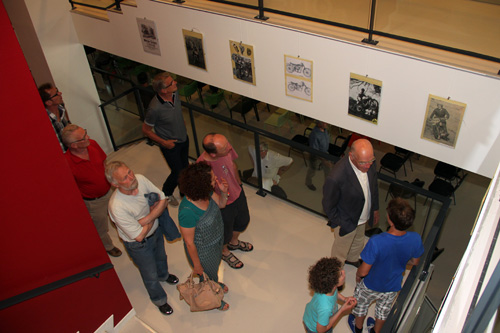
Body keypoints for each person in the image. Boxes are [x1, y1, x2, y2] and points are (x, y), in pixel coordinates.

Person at [105, 161, 179, 315]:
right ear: (114, 184)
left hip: (156, 232)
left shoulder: (141, 179)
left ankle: (164, 275)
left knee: (161, 257)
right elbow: (139, 236)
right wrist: (153, 214)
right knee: (149, 273)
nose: (131, 178)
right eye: (125, 178)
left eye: (130, 172)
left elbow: (163, 199)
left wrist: (144, 220)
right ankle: (159, 299)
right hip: (139, 246)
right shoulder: (117, 206)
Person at [348, 198, 424, 333]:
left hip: (370, 285)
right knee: (382, 312)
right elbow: (415, 262)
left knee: (361, 306)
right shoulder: (416, 238)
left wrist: (358, 275)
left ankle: (358, 328)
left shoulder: (377, 241)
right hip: (392, 286)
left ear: (390, 219)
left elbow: (364, 271)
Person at [61, 125, 122, 257]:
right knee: (101, 228)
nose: (88, 137)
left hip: (109, 192)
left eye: (86, 133)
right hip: (93, 202)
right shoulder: (66, 163)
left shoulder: (93, 144)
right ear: (74, 145)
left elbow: (104, 163)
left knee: (120, 216)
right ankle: (108, 246)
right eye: (83, 138)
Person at [178, 162, 230, 311]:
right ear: (201, 184)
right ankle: (214, 299)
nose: (215, 180)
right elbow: (189, 243)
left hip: (215, 243)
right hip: (203, 252)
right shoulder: (187, 211)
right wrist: (197, 265)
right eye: (213, 179)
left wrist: (224, 192)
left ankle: (215, 282)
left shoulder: (205, 193)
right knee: (206, 275)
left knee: (213, 271)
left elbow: (221, 204)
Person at [197, 133, 253, 269]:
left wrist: (239, 185)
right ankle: (224, 251)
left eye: (227, 144)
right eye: (224, 148)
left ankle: (234, 243)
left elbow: (233, 165)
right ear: (214, 154)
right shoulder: (202, 166)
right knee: (225, 231)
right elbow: (206, 192)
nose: (229, 148)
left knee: (243, 220)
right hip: (222, 203)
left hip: (237, 193)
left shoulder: (225, 147)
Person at [322, 139, 379, 267]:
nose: (368, 166)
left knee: (358, 240)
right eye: (363, 162)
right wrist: (341, 223)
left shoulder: (369, 162)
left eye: (371, 161)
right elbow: (328, 205)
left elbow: (373, 187)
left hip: (362, 217)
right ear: (351, 156)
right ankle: (335, 273)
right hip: (346, 221)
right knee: (340, 250)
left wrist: (374, 208)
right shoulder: (336, 177)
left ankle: (352, 259)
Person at [142, 72, 189, 206]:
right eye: (171, 83)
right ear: (163, 90)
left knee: (185, 168)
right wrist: (164, 142)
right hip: (170, 145)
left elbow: (177, 113)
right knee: (177, 172)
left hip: (183, 138)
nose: (175, 83)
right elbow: (146, 130)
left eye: (173, 80)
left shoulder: (175, 94)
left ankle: (183, 192)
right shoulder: (154, 108)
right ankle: (166, 193)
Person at [303, 257, 357, 333]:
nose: (344, 272)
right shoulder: (326, 308)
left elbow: (335, 293)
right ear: (334, 283)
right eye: (341, 274)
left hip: (312, 314)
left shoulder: (325, 287)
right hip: (314, 328)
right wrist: (341, 310)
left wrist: (344, 299)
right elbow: (321, 330)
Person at [38, 83, 70, 152]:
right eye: (56, 94)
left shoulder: (61, 107)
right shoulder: (45, 120)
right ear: (49, 102)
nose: (60, 93)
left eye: (57, 90)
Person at [306, 121, 333, 191]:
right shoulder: (314, 135)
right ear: (318, 124)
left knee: (328, 171)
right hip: (315, 156)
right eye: (323, 123)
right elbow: (315, 151)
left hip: (325, 153)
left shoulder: (325, 130)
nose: (326, 123)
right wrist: (324, 161)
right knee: (312, 170)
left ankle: (327, 186)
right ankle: (308, 183)